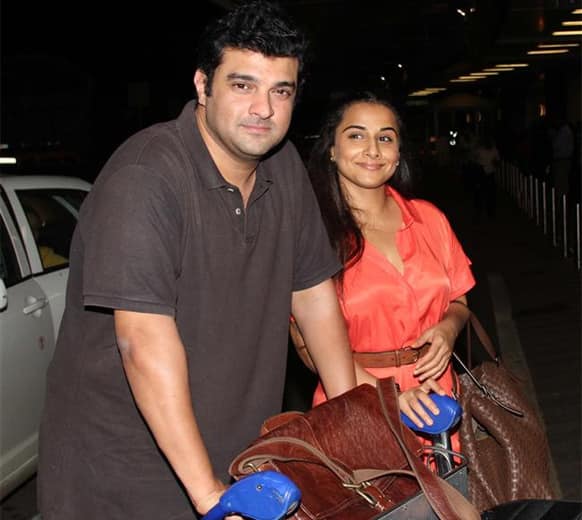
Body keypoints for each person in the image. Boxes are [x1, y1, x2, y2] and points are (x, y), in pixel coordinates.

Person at [37, 3, 356, 519]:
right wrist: (210, 497)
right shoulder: (146, 179)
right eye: (242, 85)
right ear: (203, 86)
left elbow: (315, 299)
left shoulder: (285, 167)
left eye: (282, 91)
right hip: (128, 470)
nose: (263, 109)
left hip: (237, 454)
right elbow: (141, 342)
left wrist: (350, 426)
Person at [307, 91, 475, 450]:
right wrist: (388, 395)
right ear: (332, 150)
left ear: (397, 154)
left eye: (385, 137)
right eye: (356, 135)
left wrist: (448, 328)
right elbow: (307, 346)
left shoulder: (429, 218)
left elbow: (459, 299)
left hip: (439, 400)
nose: (373, 149)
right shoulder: (312, 234)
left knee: (453, 502)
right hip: (357, 403)